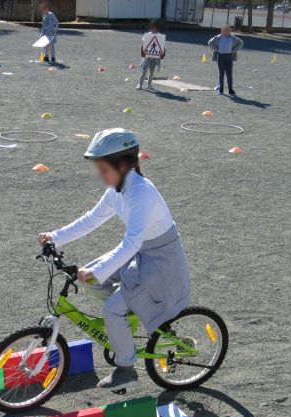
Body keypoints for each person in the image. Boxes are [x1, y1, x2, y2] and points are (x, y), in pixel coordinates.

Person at [38, 129, 192, 391]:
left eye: (103, 168)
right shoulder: (118, 190)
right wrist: (56, 236)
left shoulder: (141, 193)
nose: (100, 175)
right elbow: (92, 218)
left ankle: (126, 368)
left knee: (111, 308)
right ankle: (130, 311)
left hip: (160, 263)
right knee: (85, 279)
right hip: (140, 254)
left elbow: (131, 243)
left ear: (123, 165)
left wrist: (99, 270)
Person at [207, 24, 243, 96]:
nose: (225, 32)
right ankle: (221, 89)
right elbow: (210, 42)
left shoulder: (233, 38)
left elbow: (241, 43)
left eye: (227, 30)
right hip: (220, 56)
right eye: (224, 30)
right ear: (221, 31)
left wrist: (234, 50)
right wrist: (216, 49)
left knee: (229, 74)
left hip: (229, 57)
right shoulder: (218, 37)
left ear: (230, 31)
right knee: (221, 74)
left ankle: (230, 89)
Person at [137, 20, 165, 91]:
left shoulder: (160, 36)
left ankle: (149, 85)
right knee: (144, 71)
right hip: (147, 56)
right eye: (153, 28)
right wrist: (142, 52)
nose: (155, 29)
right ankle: (140, 84)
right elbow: (143, 44)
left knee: (151, 72)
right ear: (151, 28)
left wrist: (162, 53)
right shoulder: (148, 35)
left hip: (155, 57)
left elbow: (162, 46)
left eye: (156, 28)